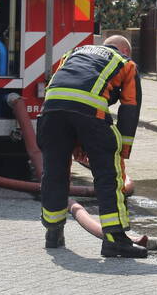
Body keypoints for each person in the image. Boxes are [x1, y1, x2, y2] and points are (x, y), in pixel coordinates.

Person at [37, 35, 146, 258]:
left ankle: (53, 232)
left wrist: (76, 138)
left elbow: (62, 89)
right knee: (107, 175)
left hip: (50, 113)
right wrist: (121, 151)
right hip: (89, 113)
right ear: (125, 50)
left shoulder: (74, 53)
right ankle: (115, 240)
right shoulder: (125, 63)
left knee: (54, 172)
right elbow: (130, 108)